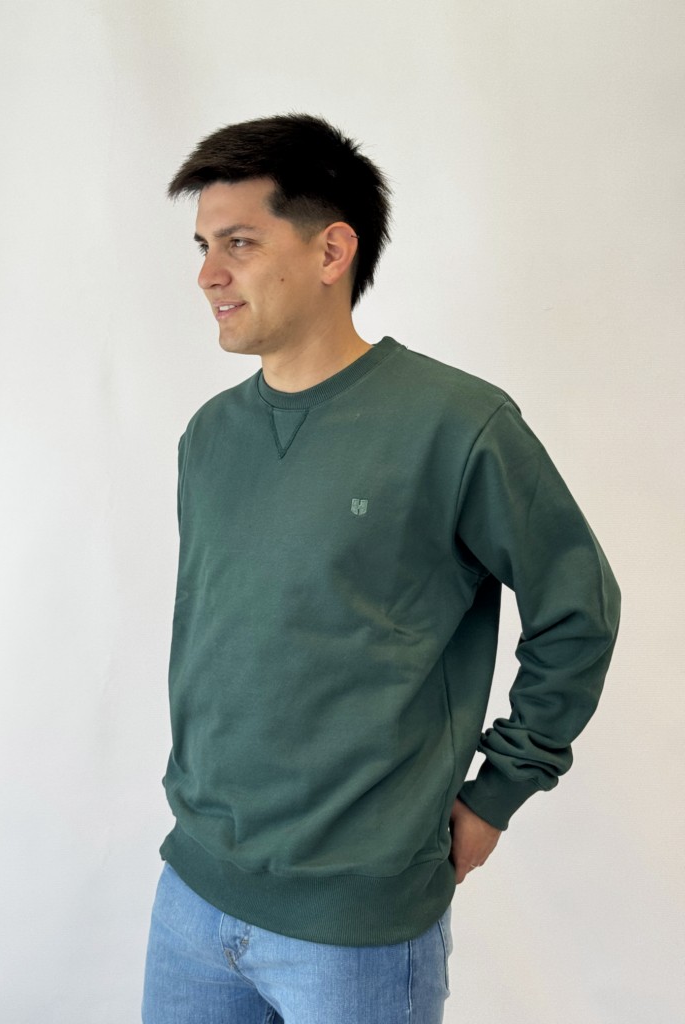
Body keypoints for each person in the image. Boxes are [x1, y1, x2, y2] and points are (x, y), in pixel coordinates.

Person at [142, 114, 621, 1024]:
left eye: (239, 243)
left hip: (356, 926)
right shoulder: (209, 436)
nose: (208, 275)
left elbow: (578, 612)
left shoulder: (457, 424)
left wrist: (499, 792)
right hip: (194, 894)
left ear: (332, 251)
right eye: (204, 247)